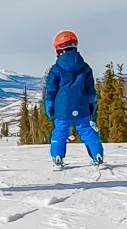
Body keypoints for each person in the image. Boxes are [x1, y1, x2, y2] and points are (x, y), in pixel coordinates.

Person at [44, 30, 104, 169]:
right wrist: (91, 103)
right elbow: (90, 90)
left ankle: (57, 156)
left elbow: (51, 90)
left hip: (62, 108)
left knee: (60, 131)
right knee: (87, 130)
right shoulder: (85, 67)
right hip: (81, 105)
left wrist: (49, 104)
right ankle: (97, 155)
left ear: (58, 49)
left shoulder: (56, 69)